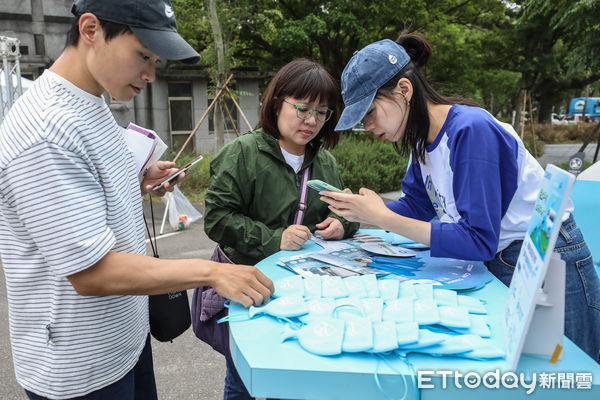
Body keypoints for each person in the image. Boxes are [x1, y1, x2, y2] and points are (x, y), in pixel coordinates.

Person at [0, 1, 273, 399]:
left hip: (122, 340)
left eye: (155, 60)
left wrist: (137, 180)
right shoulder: (46, 130)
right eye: (143, 55)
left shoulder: (92, 100)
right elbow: (92, 272)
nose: (150, 74)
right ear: (90, 30)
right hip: (80, 367)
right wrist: (213, 273)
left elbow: (86, 192)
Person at [322, 35, 600, 362]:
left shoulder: (471, 130)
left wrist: (382, 217)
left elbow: (477, 239)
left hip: (547, 257)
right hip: (504, 257)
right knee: (534, 370)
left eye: (369, 113)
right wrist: (359, 214)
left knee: (579, 368)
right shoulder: (421, 141)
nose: (367, 126)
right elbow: (416, 206)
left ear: (404, 91)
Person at [199, 59, 359, 399]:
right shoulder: (242, 154)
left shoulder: (324, 160)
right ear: (276, 103)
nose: (312, 121)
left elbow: (347, 210)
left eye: (322, 113)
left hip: (306, 294)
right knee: (244, 377)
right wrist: (275, 239)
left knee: (297, 375)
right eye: (302, 109)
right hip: (250, 288)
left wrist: (341, 225)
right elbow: (216, 219)